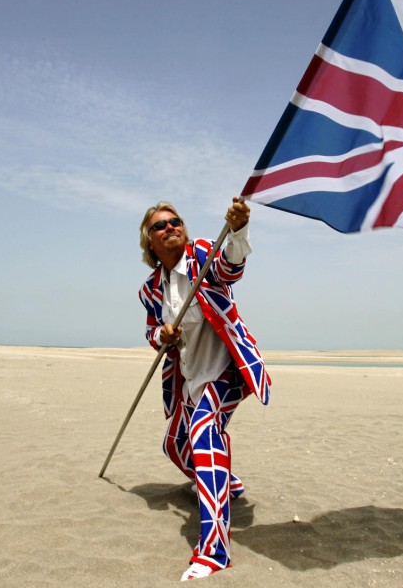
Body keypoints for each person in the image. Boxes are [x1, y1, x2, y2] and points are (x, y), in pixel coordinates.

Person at [138, 197, 271, 581]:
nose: (170, 227)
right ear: (149, 241)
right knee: (175, 446)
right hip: (191, 376)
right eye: (160, 226)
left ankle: (215, 549)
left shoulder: (201, 255)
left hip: (228, 368)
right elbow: (151, 331)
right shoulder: (150, 290)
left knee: (202, 433)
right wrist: (161, 334)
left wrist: (238, 228)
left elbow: (230, 268)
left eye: (175, 221)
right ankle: (225, 482)